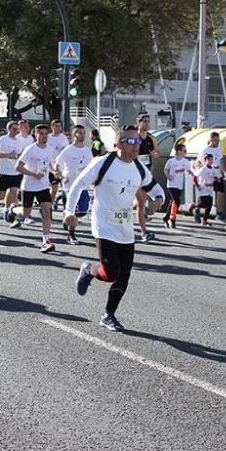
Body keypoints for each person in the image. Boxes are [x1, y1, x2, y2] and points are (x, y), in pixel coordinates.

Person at [65, 125, 155, 332]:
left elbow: (153, 186)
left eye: (138, 142)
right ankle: (89, 270)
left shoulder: (138, 167)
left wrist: (159, 197)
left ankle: (108, 315)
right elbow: (78, 184)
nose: (136, 146)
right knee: (112, 272)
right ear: (118, 143)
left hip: (125, 229)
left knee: (124, 276)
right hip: (104, 225)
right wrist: (69, 211)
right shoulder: (102, 163)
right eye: (131, 142)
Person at [13, 123, 57, 252]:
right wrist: (33, 174)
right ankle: (13, 209)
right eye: (41, 134)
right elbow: (18, 167)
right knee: (26, 213)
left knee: (47, 210)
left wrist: (55, 171)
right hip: (29, 186)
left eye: (45, 134)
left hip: (43, 186)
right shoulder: (30, 149)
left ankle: (46, 240)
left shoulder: (50, 148)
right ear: (35, 135)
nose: (44, 136)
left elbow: (48, 163)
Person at [55, 125, 95, 245]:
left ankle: (66, 218)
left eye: (84, 133)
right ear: (74, 135)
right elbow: (57, 165)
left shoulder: (88, 150)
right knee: (74, 212)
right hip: (70, 186)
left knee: (82, 211)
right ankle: (71, 235)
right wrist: (61, 177)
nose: (82, 135)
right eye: (80, 133)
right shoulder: (68, 150)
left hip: (83, 186)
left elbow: (91, 167)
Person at [135, 113, 160, 243]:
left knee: (141, 199)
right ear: (138, 123)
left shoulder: (151, 139)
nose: (146, 123)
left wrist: (152, 153)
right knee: (140, 200)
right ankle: (142, 227)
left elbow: (157, 154)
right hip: (133, 172)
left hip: (146, 173)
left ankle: (143, 230)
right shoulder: (135, 137)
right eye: (144, 121)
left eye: (148, 121)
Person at [197, 131, 226, 222]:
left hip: (217, 172)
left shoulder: (218, 148)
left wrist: (225, 172)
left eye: (218, 140)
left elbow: (221, 161)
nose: (217, 142)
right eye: (215, 140)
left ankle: (219, 213)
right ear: (211, 139)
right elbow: (198, 161)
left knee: (220, 192)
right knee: (205, 196)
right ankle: (197, 209)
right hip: (208, 173)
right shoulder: (205, 150)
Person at [162, 143, 191, 229]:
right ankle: (172, 219)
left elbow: (189, 170)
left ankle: (166, 218)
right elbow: (165, 169)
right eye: (184, 151)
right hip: (171, 185)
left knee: (173, 202)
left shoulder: (185, 162)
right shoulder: (171, 161)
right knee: (176, 201)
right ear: (178, 152)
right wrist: (168, 176)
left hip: (180, 185)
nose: (186, 152)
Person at [190, 155, 222, 226]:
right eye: (209, 160)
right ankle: (194, 205)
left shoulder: (213, 169)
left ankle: (204, 220)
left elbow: (216, 177)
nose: (211, 161)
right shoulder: (203, 169)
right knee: (204, 204)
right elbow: (195, 177)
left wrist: (217, 179)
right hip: (203, 189)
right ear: (205, 161)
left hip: (210, 190)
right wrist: (198, 186)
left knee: (209, 205)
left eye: (212, 159)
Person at [47, 119, 70, 207]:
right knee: (54, 190)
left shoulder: (63, 138)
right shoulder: (48, 137)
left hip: (62, 168)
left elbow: (67, 151)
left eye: (59, 126)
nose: (58, 128)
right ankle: (48, 207)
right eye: (56, 126)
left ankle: (67, 210)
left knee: (66, 190)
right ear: (52, 127)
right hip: (51, 168)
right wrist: (52, 169)